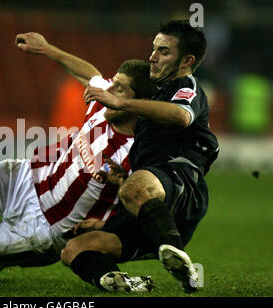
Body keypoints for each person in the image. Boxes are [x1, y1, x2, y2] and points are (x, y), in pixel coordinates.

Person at [0, 32, 157, 291]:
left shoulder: (137, 153)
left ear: (138, 103)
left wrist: (104, 225)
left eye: (119, 89)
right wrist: (47, 48)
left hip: (45, 229)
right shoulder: (103, 105)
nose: (108, 91)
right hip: (24, 178)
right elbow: (90, 74)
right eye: (113, 84)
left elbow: (138, 205)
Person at [60, 20, 220, 293]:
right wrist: (120, 188)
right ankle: (126, 283)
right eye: (154, 49)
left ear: (187, 60)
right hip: (153, 203)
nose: (153, 57)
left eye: (163, 52)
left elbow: (181, 117)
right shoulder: (154, 94)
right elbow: (91, 76)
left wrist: (121, 102)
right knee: (74, 249)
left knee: (136, 186)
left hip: (181, 181)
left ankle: (176, 254)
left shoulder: (187, 86)